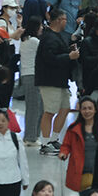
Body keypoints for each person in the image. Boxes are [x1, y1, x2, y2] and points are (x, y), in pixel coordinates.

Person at [36, 10, 80, 153]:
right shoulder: (48, 38)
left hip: (60, 80)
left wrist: (69, 52)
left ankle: (54, 139)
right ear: (57, 20)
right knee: (49, 111)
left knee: (65, 108)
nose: (66, 22)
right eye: (64, 19)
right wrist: (69, 56)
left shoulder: (58, 36)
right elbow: (50, 59)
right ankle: (44, 143)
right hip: (50, 81)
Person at [58, 97, 98, 196]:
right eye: (84, 108)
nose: (87, 111)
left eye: (90, 108)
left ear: (95, 110)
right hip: (82, 173)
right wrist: (63, 153)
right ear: (80, 111)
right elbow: (66, 145)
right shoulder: (73, 129)